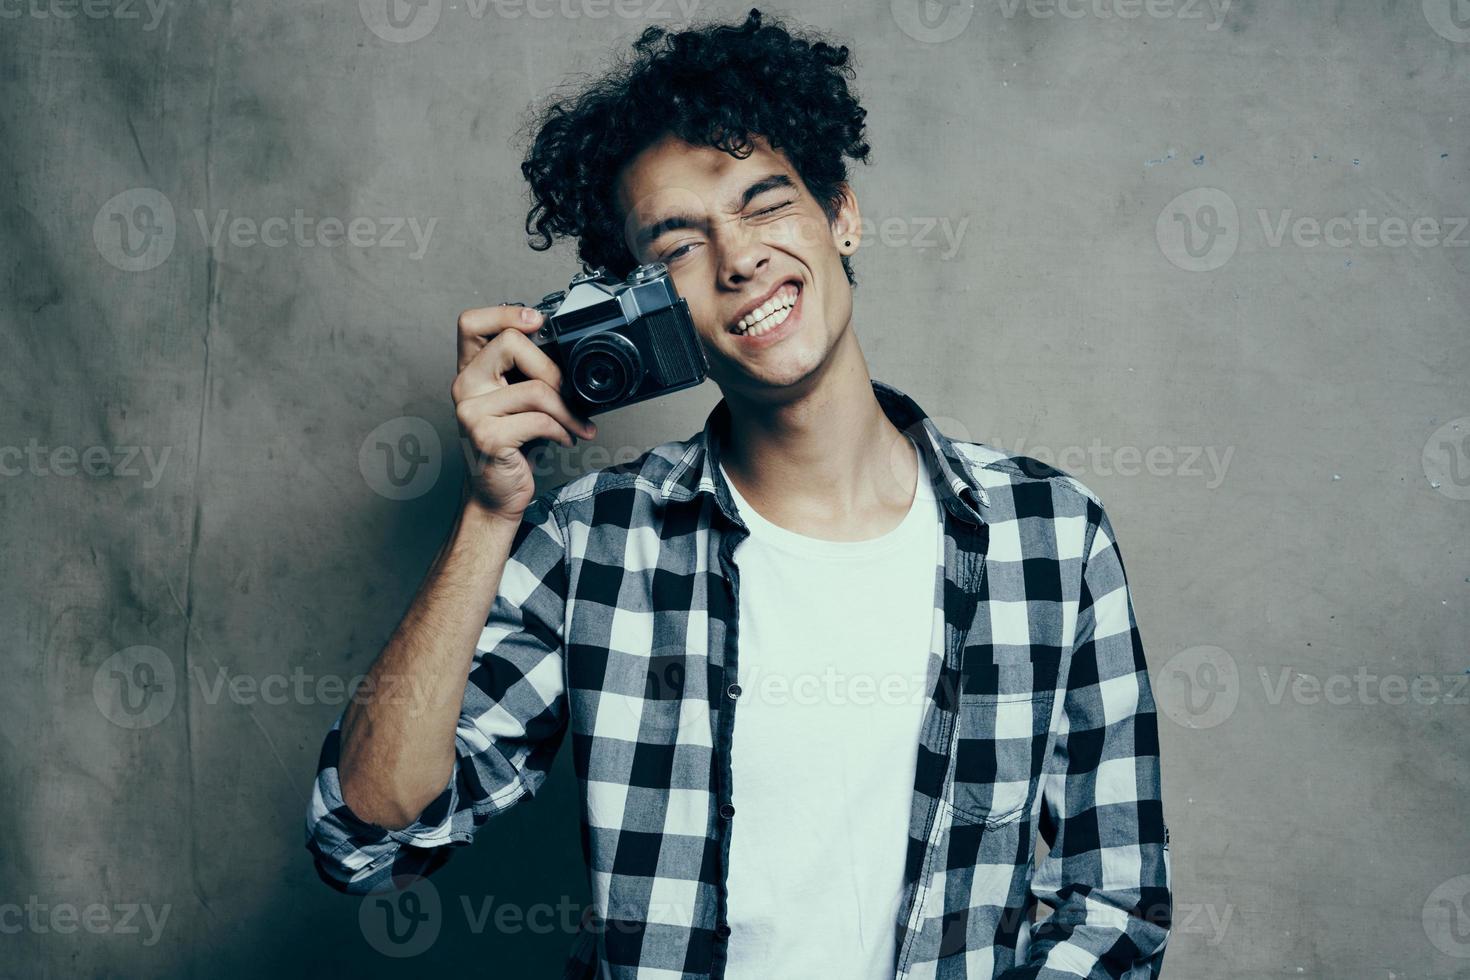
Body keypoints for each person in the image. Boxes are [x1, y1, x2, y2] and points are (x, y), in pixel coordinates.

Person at [304, 8, 1172, 978]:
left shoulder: (1049, 538)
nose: (739, 258)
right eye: (677, 246)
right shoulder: (598, 542)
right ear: (642, 306)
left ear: (840, 212)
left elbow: (1114, 901)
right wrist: (487, 511)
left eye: (765, 203)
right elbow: (363, 835)